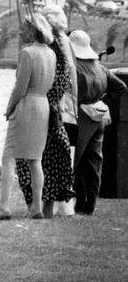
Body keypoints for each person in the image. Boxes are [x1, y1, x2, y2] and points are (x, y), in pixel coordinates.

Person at [16, 6, 76, 218]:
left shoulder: (47, 47)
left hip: (40, 106)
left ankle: (36, 207)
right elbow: (66, 78)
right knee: (52, 158)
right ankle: (47, 208)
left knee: (29, 158)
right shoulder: (63, 43)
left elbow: (36, 80)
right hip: (54, 110)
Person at [0, 15, 56, 221]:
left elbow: (20, 87)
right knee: (35, 159)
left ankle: (4, 207)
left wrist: (9, 107)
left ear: (33, 31)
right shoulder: (51, 54)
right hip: (43, 105)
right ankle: (36, 206)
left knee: (8, 156)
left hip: (27, 104)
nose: (21, 33)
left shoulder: (27, 53)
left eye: (24, 29)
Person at [70, 29, 126, 215]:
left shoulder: (74, 69)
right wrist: (103, 101)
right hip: (99, 117)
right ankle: (91, 205)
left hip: (81, 117)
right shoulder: (100, 68)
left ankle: (77, 204)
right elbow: (121, 87)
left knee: (76, 162)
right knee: (94, 163)